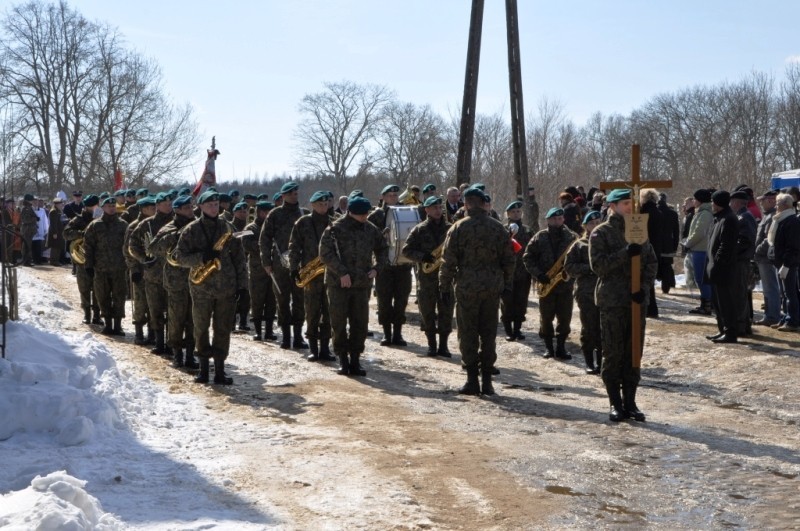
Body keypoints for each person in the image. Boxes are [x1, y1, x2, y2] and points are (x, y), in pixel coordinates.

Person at [589, 188, 658, 422]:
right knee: (613, 352)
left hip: (636, 301)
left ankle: (630, 401)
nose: (630, 207)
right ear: (612, 206)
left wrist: (644, 288)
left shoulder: (638, 229)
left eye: (631, 203)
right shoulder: (601, 233)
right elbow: (598, 266)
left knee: (634, 352)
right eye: (625, 203)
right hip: (613, 301)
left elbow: (651, 262)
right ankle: (614, 402)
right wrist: (625, 253)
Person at [439, 187, 515, 395]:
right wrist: (507, 285)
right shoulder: (498, 228)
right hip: (492, 289)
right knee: (489, 334)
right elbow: (509, 260)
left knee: (468, 333)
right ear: (483, 204)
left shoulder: (458, 228)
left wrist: (444, 286)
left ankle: (472, 380)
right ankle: (488, 382)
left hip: (466, 288)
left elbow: (448, 261)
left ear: (465, 204)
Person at [175, 190, 248, 385]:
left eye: (216, 204)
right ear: (200, 207)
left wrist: (243, 287)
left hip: (227, 287)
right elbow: (179, 258)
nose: (214, 208)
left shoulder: (228, 228)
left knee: (223, 328)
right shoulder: (191, 230)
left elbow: (239, 259)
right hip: (201, 288)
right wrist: (201, 257)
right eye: (209, 205)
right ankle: (204, 370)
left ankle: (220, 371)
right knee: (201, 327)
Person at [319, 196, 388, 377]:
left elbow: (383, 250)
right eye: (361, 214)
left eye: (366, 214)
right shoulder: (335, 229)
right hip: (338, 284)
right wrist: (342, 273)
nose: (364, 217)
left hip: (361, 284)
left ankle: (356, 360)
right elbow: (325, 254)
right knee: (339, 322)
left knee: (360, 323)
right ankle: (343, 359)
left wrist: (376, 269)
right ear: (351, 212)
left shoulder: (370, 229)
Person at [149, 194, 198, 369]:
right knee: (176, 318)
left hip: (197, 278)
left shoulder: (198, 226)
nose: (190, 211)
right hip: (176, 280)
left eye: (191, 207)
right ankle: (177, 354)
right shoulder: (169, 228)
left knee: (194, 320)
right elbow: (153, 248)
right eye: (186, 208)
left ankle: (191, 354)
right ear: (177, 210)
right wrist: (176, 236)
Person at [402, 196, 454, 356]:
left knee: (446, 310)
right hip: (426, 279)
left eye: (439, 207)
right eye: (434, 208)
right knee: (427, 312)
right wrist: (422, 256)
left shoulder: (451, 228)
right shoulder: (419, 229)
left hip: (446, 277)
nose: (438, 210)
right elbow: (406, 250)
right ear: (427, 210)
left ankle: (443, 346)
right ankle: (432, 345)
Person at [523, 207, 578, 359]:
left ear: (563, 219)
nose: (557, 221)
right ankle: (548, 347)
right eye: (553, 219)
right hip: (546, 285)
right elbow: (527, 258)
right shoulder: (539, 237)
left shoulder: (572, 237)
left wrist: (571, 275)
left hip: (565, 286)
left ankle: (561, 347)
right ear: (547, 220)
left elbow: (580, 259)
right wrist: (538, 274)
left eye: (560, 219)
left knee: (564, 318)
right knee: (546, 318)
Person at [259, 181, 308, 349]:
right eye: (292, 194)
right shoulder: (275, 214)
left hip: (299, 264)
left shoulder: (304, 214)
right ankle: (286, 337)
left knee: (300, 300)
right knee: (282, 299)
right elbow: (264, 239)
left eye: (296, 193)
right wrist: (266, 262)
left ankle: (298, 336)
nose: (295, 196)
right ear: (284, 195)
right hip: (279, 264)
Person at [289, 191, 336, 362]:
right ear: (313, 205)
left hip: (330, 273)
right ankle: (313, 349)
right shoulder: (303, 222)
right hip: (311, 274)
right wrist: (294, 268)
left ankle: (325, 348)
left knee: (328, 311)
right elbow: (294, 247)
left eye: (326, 204)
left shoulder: (334, 223)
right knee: (312, 310)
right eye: (320, 204)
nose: (324, 207)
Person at [129, 192, 175, 354]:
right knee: (155, 309)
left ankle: (171, 343)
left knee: (173, 311)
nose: (168, 206)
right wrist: (143, 259)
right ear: (157, 205)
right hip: (153, 275)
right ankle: (159, 341)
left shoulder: (177, 223)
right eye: (165, 203)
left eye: (170, 203)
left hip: (174, 276)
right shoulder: (146, 224)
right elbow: (133, 245)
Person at [369, 184, 413, 347]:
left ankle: (398, 334)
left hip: (402, 265)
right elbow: (367, 238)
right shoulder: (376, 215)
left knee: (401, 300)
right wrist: (383, 236)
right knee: (384, 300)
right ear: (383, 197)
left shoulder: (406, 212)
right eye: (390, 195)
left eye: (395, 195)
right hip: (384, 266)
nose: (394, 197)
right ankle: (387, 334)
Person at [82, 197, 129, 336]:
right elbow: (88, 246)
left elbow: (128, 246)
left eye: (113, 205)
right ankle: (108, 323)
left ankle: (118, 325)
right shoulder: (95, 225)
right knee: (102, 296)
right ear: (102, 208)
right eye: (108, 206)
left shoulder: (123, 225)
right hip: (100, 268)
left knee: (119, 296)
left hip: (119, 267)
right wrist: (88, 265)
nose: (112, 208)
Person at [565, 210, 603, 374]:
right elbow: (569, 267)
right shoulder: (579, 245)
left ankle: (602, 362)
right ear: (585, 226)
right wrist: (589, 269)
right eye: (591, 223)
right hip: (586, 293)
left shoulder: (606, 243)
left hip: (605, 292)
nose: (595, 226)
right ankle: (589, 361)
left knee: (603, 328)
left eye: (597, 223)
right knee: (589, 327)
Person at [705, 191, 740, 344]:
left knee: (726, 302)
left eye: (713, 202)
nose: (711, 204)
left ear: (718, 203)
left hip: (723, 268)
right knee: (718, 303)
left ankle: (730, 333)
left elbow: (727, 245)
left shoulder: (729, 219)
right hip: (715, 267)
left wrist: (718, 261)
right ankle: (722, 329)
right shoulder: (719, 218)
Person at [63, 195, 102, 325]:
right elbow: (66, 233)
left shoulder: (101, 219)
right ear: (87, 207)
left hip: (98, 258)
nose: (96, 208)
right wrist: (81, 233)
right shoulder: (78, 220)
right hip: (82, 258)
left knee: (98, 288)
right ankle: (87, 314)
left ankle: (97, 315)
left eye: (97, 205)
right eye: (93, 206)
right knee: (84, 287)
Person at [243, 201, 277, 341]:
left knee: (271, 300)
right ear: (260, 212)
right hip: (257, 270)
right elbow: (246, 245)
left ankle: (269, 331)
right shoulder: (250, 227)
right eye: (265, 212)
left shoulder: (273, 227)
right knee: (257, 300)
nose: (268, 215)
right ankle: (258, 331)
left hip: (273, 270)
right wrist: (264, 246)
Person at [124, 196, 156, 345]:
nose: (154, 210)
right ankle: (138, 332)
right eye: (151, 208)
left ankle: (152, 333)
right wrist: (134, 269)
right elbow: (128, 250)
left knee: (153, 302)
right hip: (140, 269)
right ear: (143, 209)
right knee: (140, 302)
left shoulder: (155, 224)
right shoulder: (134, 226)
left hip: (154, 270)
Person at [500, 200, 532, 341]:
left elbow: (532, 250)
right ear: (508, 214)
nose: (516, 214)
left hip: (523, 272)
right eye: (513, 212)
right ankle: (508, 330)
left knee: (521, 301)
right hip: (506, 273)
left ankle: (517, 329)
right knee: (507, 302)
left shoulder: (527, 230)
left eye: (518, 211)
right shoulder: (502, 230)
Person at [769, 193, 800, 331]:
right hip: (780, 262)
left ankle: (792, 321)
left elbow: (792, 246)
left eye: (778, 204)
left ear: (785, 205)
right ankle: (785, 318)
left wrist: (786, 265)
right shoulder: (781, 219)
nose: (776, 206)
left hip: (788, 264)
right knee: (783, 294)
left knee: (790, 294)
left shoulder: (792, 221)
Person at [729, 190, 757, 336]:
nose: (730, 204)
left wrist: (732, 253)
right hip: (741, 260)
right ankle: (743, 325)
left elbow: (745, 240)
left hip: (741, 261)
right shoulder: (742, 216)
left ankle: (741, 326)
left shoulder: (744, 217)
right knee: (740, 294)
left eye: (731, 201)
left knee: (740, 294)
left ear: (736, 202)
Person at [683, 189, 714, 315]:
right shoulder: (701, 212)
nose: (693, 201)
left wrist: (688, 243)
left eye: (695, 199)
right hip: (698, 250)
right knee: (700, 279)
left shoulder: (705, 214)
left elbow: (699, 233)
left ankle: (707, 306)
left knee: (701, 279)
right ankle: (704, 304)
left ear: (700, 200)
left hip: (701, 250)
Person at [753, 190, 781, 326]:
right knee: (768, 288)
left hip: (766, 258)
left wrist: (757, 251)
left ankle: (772, 316)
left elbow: (768, 238)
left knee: (771, 288)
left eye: (762, 200)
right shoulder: (767, 215)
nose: (761, 203)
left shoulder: (772, 216)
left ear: (771, 200)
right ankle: (770, 314)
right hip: (762, 257)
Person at [230, 201, 251, 331]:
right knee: (232, 295)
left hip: (246, 263)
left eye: (245, 212)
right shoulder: (230, 226)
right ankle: (231, 322)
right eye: (240, 212)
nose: (243, 214)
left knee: (245, 295)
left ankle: (243, 322)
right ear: (234, 213)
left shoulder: (249, 226)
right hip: (232, 264)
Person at [657, 193, 680, 294]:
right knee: (666, 265)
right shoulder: (672, 214)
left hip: (654, 243)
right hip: (668, 244)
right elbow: (676, 232)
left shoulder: (652, 212)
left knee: (653, 264)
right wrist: (675, 246)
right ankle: (666, 287)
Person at [19, 193, 38, 266]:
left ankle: (28, 261)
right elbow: (25, 220)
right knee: (26, 246)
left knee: (28, 245)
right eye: (31, 200)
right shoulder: (26, 208)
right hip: (27, 230)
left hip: (29, 230)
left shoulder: (29, 207)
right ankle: (26, 261)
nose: (33, 201)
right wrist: (34, 218)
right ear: (28, 200)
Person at [47, 197, 67, 266]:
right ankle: (53, 261)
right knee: (55, 247)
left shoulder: (58, 211)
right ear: (57, 204)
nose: (62, 205)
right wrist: (54, 233)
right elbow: (53, 223)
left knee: (58, 246)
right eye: (61, 203)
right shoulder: (54, 211)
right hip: (56, 232)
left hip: (60, 231)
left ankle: (56, 260)